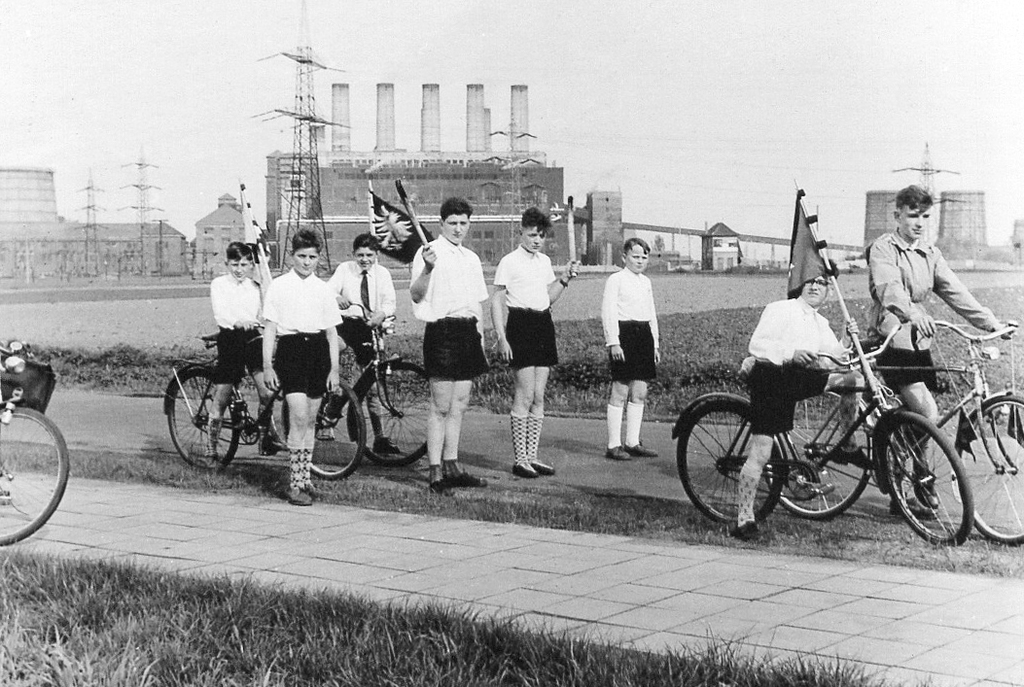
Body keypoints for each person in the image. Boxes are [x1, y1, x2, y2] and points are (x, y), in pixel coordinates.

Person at [867, 184, 1005, 516]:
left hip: (918, 342)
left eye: (925, 217)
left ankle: (904, 476)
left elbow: (955, 290)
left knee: (920, 418)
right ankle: (914, 478)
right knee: (927, 413)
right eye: (912, 215)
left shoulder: (930, 253)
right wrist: (913, 313)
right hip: (890, 338)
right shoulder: (884, 248)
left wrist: (990, 323)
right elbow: (889, 289)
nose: (919, 223)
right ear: (898, 215)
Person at [732, 276, 860, 540]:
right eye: (809, 281)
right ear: (799, 285)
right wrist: (791, 352)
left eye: (822, 283)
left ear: (828, 291)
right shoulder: (780, 309)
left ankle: (847, 444)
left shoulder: (820, 322)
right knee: (761, 452)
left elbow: (829, 362)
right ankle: (744, 519)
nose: (815, 287)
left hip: (797, 379)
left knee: (854, 380)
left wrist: (846, 340)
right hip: (770, 378)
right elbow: (757, 345)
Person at [490, 208, 579, 478]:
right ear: (521, 233)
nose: (537, 240)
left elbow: (548, 298)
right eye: (532, 235)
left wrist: (565, 278)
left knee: (539, 396)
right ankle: (520, 459)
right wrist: (502, 337)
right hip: (520, 325)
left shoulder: (544, 261)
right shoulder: (509, 262)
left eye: (541, 235)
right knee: (525, 394)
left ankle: (532, 456)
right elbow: (496, 300)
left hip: (543, 324)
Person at [410, 197, 490, 493]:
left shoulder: (471, 258)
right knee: (441, 406)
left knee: (459, 405)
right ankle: (435, 472)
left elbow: (476, 305)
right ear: (441, 223)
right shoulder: (428, 253)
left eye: (463, 223)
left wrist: (480, 340)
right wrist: (428, 269)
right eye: (452, 223)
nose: (458, 228)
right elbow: (416, 295)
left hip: (468, 332)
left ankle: (452, 464)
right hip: (441, 332)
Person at [262, 228, 342, 506]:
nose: (307, 262)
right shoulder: (279, 286)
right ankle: (294, 483)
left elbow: (331, 333)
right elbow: (270, 328)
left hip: (318, 352)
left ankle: (306, 479)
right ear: (292, 256)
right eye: (301, 256)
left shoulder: (323, 289)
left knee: (310, 420)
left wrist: (334, 369)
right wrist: (267, 366)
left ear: (318, 258)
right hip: (291, 351)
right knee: (297, 417)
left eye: (312, 257)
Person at [206, 242, 285, 462]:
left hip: (252, 339)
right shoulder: (219, 284)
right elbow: (220, 313)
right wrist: (237, 321)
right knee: (222, 396)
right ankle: (211, 447)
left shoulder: (255, 286)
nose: (239, 269)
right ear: (227, 264)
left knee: (267, 393)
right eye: (234, 264)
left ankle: (264, 438)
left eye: (244, 264)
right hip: (231, 338)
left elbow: (264, 313)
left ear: (251, 265)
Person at [326, 232, 400, 455]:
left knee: (372, 386)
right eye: (360, 255)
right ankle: (327, 407)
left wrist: (381, 314)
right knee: (332, 356)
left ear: (376, 255)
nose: (364, 259)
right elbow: (328, 290)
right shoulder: (344, 269)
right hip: (346, 325)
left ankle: (380, 437)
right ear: (353, 254)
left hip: (369, 327)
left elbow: (390, 302)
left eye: (369, 255)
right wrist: (337, 298)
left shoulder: (383, 274)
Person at [601, 237, 660, 461]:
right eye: (635, 256)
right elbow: (608, 311)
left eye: (644, 257)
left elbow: (651, 313)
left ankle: (632, 442)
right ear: (624, 257)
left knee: (640, 391)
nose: (640, 261)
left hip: (644, 336)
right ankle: (613, 445)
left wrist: (655, 344)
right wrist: (613, 342)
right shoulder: (615, 280)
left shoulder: (646, 282)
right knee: (620, 390)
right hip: (624, 335)